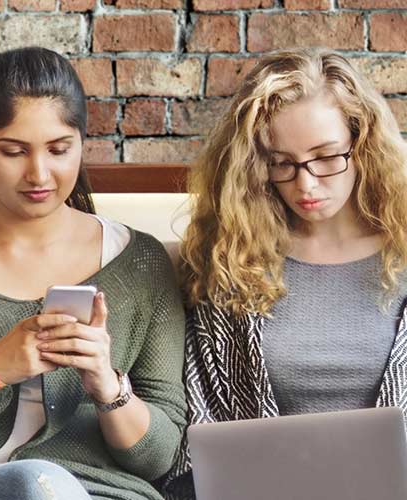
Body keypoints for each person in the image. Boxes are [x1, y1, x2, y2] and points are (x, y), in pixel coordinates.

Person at [0, 47, 187, 500]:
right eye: (13, 151)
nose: (38, 173)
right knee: (34, 484)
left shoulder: (142, 263)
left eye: (59, 149)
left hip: (103, 493)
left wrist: (108, 386)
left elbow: (160, 458)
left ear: (82, 145)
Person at [164, 48, 407, 497]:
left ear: (363, 143)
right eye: (283, 163)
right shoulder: (231, 263)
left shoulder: (401, 254)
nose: (306, 184)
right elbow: (200, 426)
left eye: (327, 156)